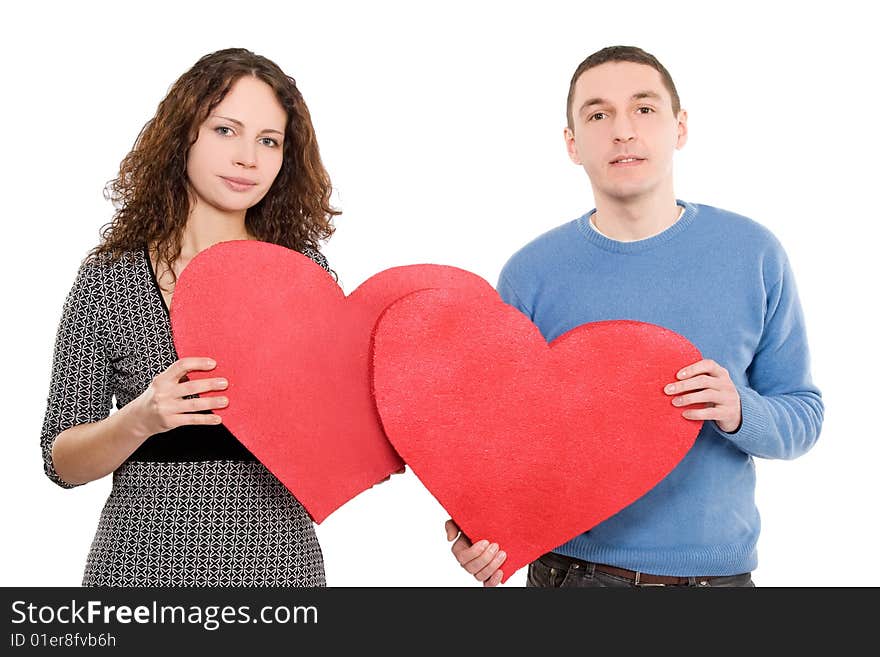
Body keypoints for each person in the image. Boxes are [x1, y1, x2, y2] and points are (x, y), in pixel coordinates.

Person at [445, 45, 824, 587]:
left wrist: (739, 409)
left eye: (644, 109)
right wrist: (476, 527)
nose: (622, 130)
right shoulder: (531, 274)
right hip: (571, 576)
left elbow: (804, 415)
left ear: (680, 127)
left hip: (718, 582)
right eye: (598, 114)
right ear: (573, 144)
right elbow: (497, 443)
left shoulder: (754, 253)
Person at [40, 47, 340, 586]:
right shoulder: (111, 278)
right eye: (227, 130)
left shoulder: (302, 273)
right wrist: (140, 418)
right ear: (185, 135)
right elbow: (60, 460)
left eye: (268, 141)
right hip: (136, 574)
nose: (248, 157)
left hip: (281, 571)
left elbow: (341, 428)